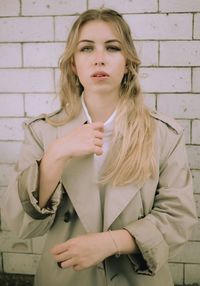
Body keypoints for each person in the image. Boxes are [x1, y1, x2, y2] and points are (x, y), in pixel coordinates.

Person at [2, 8, 197, 286]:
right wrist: (56, 155)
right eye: (86, 49)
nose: (99, 58)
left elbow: (178, 219)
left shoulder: (163, 134)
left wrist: (111, 242)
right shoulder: (42, 132)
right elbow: (19, 223)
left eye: (113, 48)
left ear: (128, 62)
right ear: (73, 65)